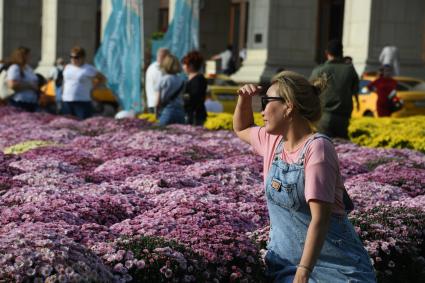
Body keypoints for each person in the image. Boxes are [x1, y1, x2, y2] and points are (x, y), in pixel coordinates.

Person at [233, 70, 376, 283]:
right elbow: (242, 127)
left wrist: (302, 272)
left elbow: (320, 218)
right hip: (284, 264)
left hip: (334, 269)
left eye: (266, 101)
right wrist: (243, 99)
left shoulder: (318, 148)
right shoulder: (273, 141)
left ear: (289, 106)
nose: (261, 110)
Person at [310, 39, 359, 139]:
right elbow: (355, 90)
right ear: (341, 53)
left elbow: (309, 92)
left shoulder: (319, 70)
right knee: (343, 151)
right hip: (343, 118)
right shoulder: (349, 69)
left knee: (324, 149)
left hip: (323, 117)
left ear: (327, 53)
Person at [62, 46, 105, 119]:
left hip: (82, 101)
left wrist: (93, 88)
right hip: (67, 100)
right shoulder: (67, 67)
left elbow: (102, 78)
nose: (73, 59)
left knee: (82, 125)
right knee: (67, 126)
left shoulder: (88, 68)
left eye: (76, 57)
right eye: (71, 57)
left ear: (82, 58)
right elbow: (65, 81)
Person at [6, 46, 39, 112]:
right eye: (28, 55)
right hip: (19, 102)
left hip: (31, 102)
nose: (30, 57)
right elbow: (12, 85)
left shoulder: (28, 68)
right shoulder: (15, 67)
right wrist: (29, 86)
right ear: (22, 56)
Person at [157, 54, 186, 126]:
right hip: (180, 112)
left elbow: (158, 101)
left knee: (162, 133)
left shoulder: (163, 80)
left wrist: (156, 113)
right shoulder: (181, 80)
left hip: (167, 111)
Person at [182, 51, 207, 125]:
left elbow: (195, 97)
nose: (183, 67)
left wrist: (183, 97)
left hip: (195, 114)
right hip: (191, 113)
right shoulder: (192, 78)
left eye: (184, 64)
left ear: (190, 65)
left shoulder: (199, 79)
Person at [146, 48, 170, 114]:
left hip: (152, 103)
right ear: (165, 57)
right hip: (158, 104)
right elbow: (162, 87)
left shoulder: (151, 67)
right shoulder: (160, 69)